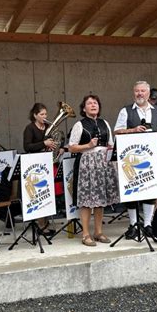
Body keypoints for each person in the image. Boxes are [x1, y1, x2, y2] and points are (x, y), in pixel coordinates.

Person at [114, 81, 157, 239]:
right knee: (132, 191)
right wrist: (133, 130)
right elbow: (117, 132)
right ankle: (133, 225)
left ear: (148, 93)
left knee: (150, 190)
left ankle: (147, 224)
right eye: (137, 91)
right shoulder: (126, 111)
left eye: (143, 91)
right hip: (131, 160)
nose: (139, 94)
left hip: (153, 159)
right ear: (134, 93)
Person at [69, 95, 119, 246]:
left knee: (100, 200)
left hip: (103, 163)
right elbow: (71, 147)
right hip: (87, 164)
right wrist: (88, 145)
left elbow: (110, 144)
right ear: (84, 109)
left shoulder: (105, 123)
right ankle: (85, 234)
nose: (93, 105)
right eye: (89, 103)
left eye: (95, 103)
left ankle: (98, 232)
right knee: (86, 200)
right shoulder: (79, 125)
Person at [23, 103, 58, 235]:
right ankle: (40, 224)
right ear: (35, 115)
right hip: (34, 165)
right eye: (42, 114)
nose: (45, 116)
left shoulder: (48, 127)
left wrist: (56, 146)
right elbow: (27, 147)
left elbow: (55, 140)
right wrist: (44, 143)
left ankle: (46, 221)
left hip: (46, 163)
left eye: (45, 114)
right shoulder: (30, 128)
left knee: (46, 193)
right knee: (38, 194)